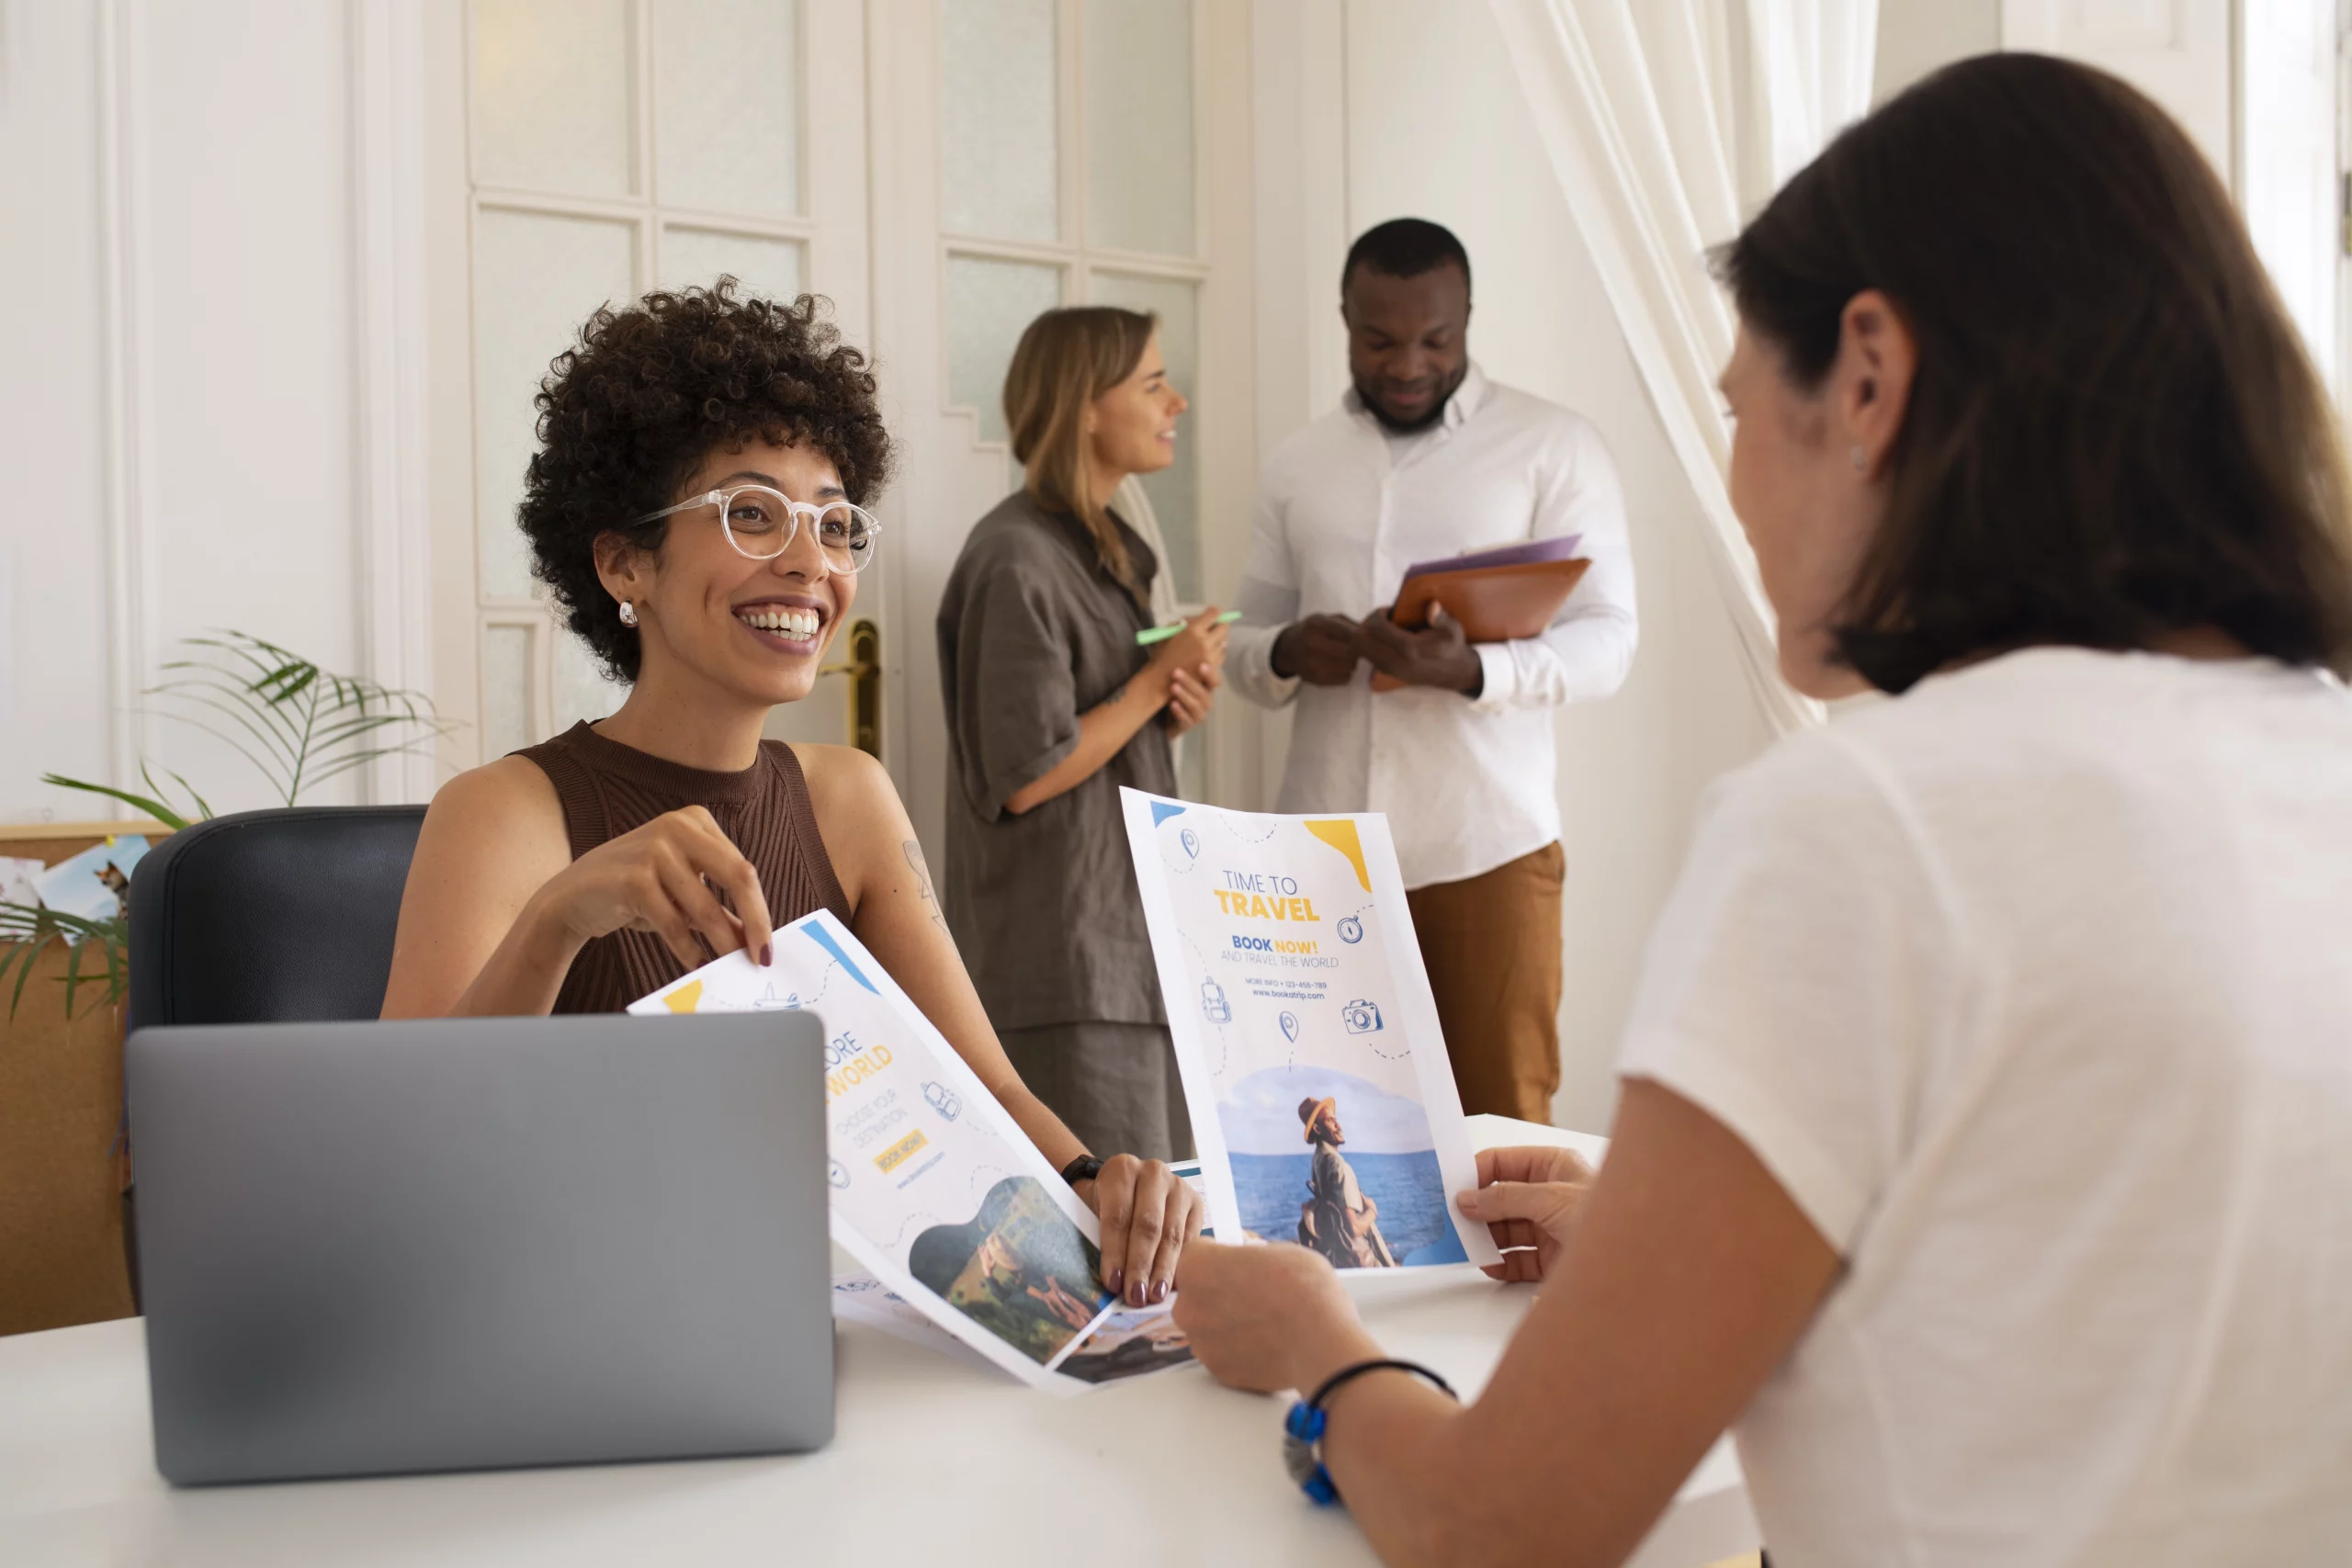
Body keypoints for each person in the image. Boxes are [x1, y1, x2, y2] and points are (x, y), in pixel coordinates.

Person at [1170, 55, 2352, 1566]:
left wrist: (1318, 1342)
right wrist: (1672, 1228)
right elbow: (2089, 1254)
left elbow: (1496, 1525)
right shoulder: (2313, 753)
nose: (1734, 488)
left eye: (1735, 407)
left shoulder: (1861, 824)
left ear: (1868, 379)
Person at [380, 282, 1199, 1309]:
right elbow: (404, 1156)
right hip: (586, 1323)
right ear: (624, 563)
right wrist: (561, 917)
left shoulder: (851, 796)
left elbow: (984, 1087)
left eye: (835, 523)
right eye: (752, 515)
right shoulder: (504, 812)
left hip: (829, 1318)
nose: (812, 562)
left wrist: (1094, 1180)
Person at [1226, 218, 1637, 1124]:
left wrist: (1477, 671)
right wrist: (1287, 650)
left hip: (1485, 848)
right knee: (1323, 1130)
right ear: (1344, 320)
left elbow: (1611, 636)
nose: (1409, 364)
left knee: (1502, 1128)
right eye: (1380, 341)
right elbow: (1241, 639)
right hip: (1319, 858)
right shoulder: (1297, 464)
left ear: (1469, 319)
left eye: (1436, 340)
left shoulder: (1553, 445)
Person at [935, 307, 1227, 1165]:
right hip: (1067, 965)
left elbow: (1097, 722)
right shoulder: (1015, 560)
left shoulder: (1101, 548)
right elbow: (1026, 772)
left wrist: (1168, 701)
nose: (1177, 403)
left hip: (1126, 950)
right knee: (1112, 1218)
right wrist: (1151, 682)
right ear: (1086, 406)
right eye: (1153, 384)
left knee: (1161, 1206)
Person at [1295, 1098, 1395, 1269]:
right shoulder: (1338, 1166)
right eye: (1330, 1120)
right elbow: (1353, 1228)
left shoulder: (1318, 1159)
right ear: (1317, 1129)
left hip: (1339, 1257)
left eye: (1336, 1119)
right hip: (1358, 1260)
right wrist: (1372, 1210)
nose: (1338, 1126)